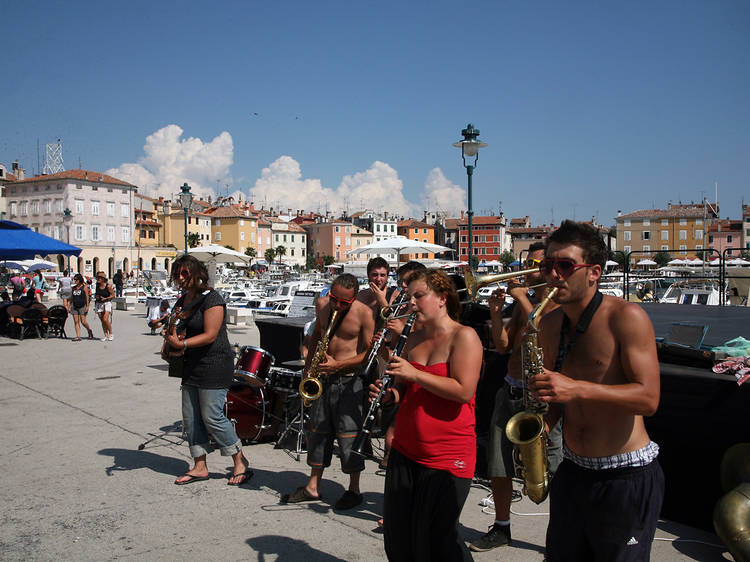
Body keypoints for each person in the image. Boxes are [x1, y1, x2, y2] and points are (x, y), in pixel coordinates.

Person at [530, 220, 663, 561]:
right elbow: (560, 396)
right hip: (574, 471)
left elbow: (648, 399)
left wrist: (575, 389)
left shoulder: (627, 317)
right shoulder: (547, 324)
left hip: (625, 474)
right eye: (548, 266)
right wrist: (543, 423)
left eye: (565, 266)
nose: (554, 275)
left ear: (594, 273)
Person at [374, 268, 482, 561]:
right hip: (406, 451)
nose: (411, 303)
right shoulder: (412, 337)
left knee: (441, 543)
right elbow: (403, 390)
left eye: (419, 296)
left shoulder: (465, 337)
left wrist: (415, 374)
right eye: (410, 297)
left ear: (442, 298)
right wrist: (388, 396)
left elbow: (463, 391)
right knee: (399, 541)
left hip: (446, 457)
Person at [470, 243, 563, 552]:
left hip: (539, 400)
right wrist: (497, 314)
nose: (530, 269)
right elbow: (502, 346)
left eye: (536, 264)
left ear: (549, 269)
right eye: (529, 263)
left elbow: (542, 326)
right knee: (498, 465)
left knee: (553, 469)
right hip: (509, 391)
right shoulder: (526, 305)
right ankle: (501, 526)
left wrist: (521, 296)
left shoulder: (554, 306)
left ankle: (560, 537)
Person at [281, 273, 375, 510]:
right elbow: (315, 338)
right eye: (335, 299)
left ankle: (354, 489)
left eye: (344, 303)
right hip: (322, 378)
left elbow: (369, 355)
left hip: (349, 380)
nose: (338, 306)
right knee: (318, 433)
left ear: (353, 299)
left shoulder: (364, 313)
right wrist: (308, 369)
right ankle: (313, 486)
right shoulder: (322, 305)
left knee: (349, 437)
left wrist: (339, 365)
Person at [163, 254, 252, 486]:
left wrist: (181, 344)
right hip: (191, 365)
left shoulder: (212, 298)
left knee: (212, 416)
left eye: (185, 273)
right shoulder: (182, 301)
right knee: (191, 418)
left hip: (215, 364)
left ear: (197, 273)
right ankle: (199, 466)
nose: (180, 278)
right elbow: (178, 329)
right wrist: (169, 341)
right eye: (177, 273)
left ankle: (240, 460)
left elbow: (210, 334)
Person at [70, 273, 94, 341]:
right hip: (74, 305)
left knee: (83, 321)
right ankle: (78, 336)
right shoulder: (73, 288)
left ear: (80, 280)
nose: (75, 281)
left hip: (82, 305)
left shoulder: (84, 288)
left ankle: (89, 330)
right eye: (74, 280)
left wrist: (87, 306)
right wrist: (68, 306)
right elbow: (71, 297)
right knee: (76, 321)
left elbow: (87, 298)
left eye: (76, 279)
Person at [94, 272, 115, 341]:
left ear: (103, 279)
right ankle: (105, 335)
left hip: (107, 303)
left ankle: (111, 333)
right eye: (97, 278)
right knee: (102, 320)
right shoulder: (97, 286)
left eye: (99, 278)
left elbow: (113, 295)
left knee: (105, 319)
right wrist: (97, 297)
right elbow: (96, 294)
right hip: (99, 303)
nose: (98, 279)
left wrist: (106, 298)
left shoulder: (108, 286)